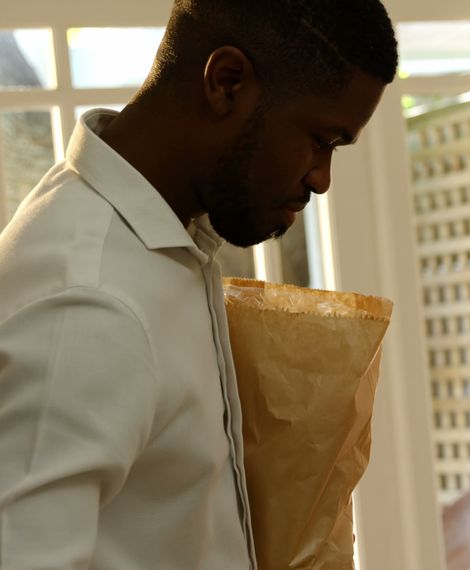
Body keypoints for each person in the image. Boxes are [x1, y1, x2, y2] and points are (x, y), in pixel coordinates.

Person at [0, 1, 396, 567]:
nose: (321, 178)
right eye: (320, 139)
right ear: (227, 82)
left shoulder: (166, 244)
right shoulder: (88, 301)